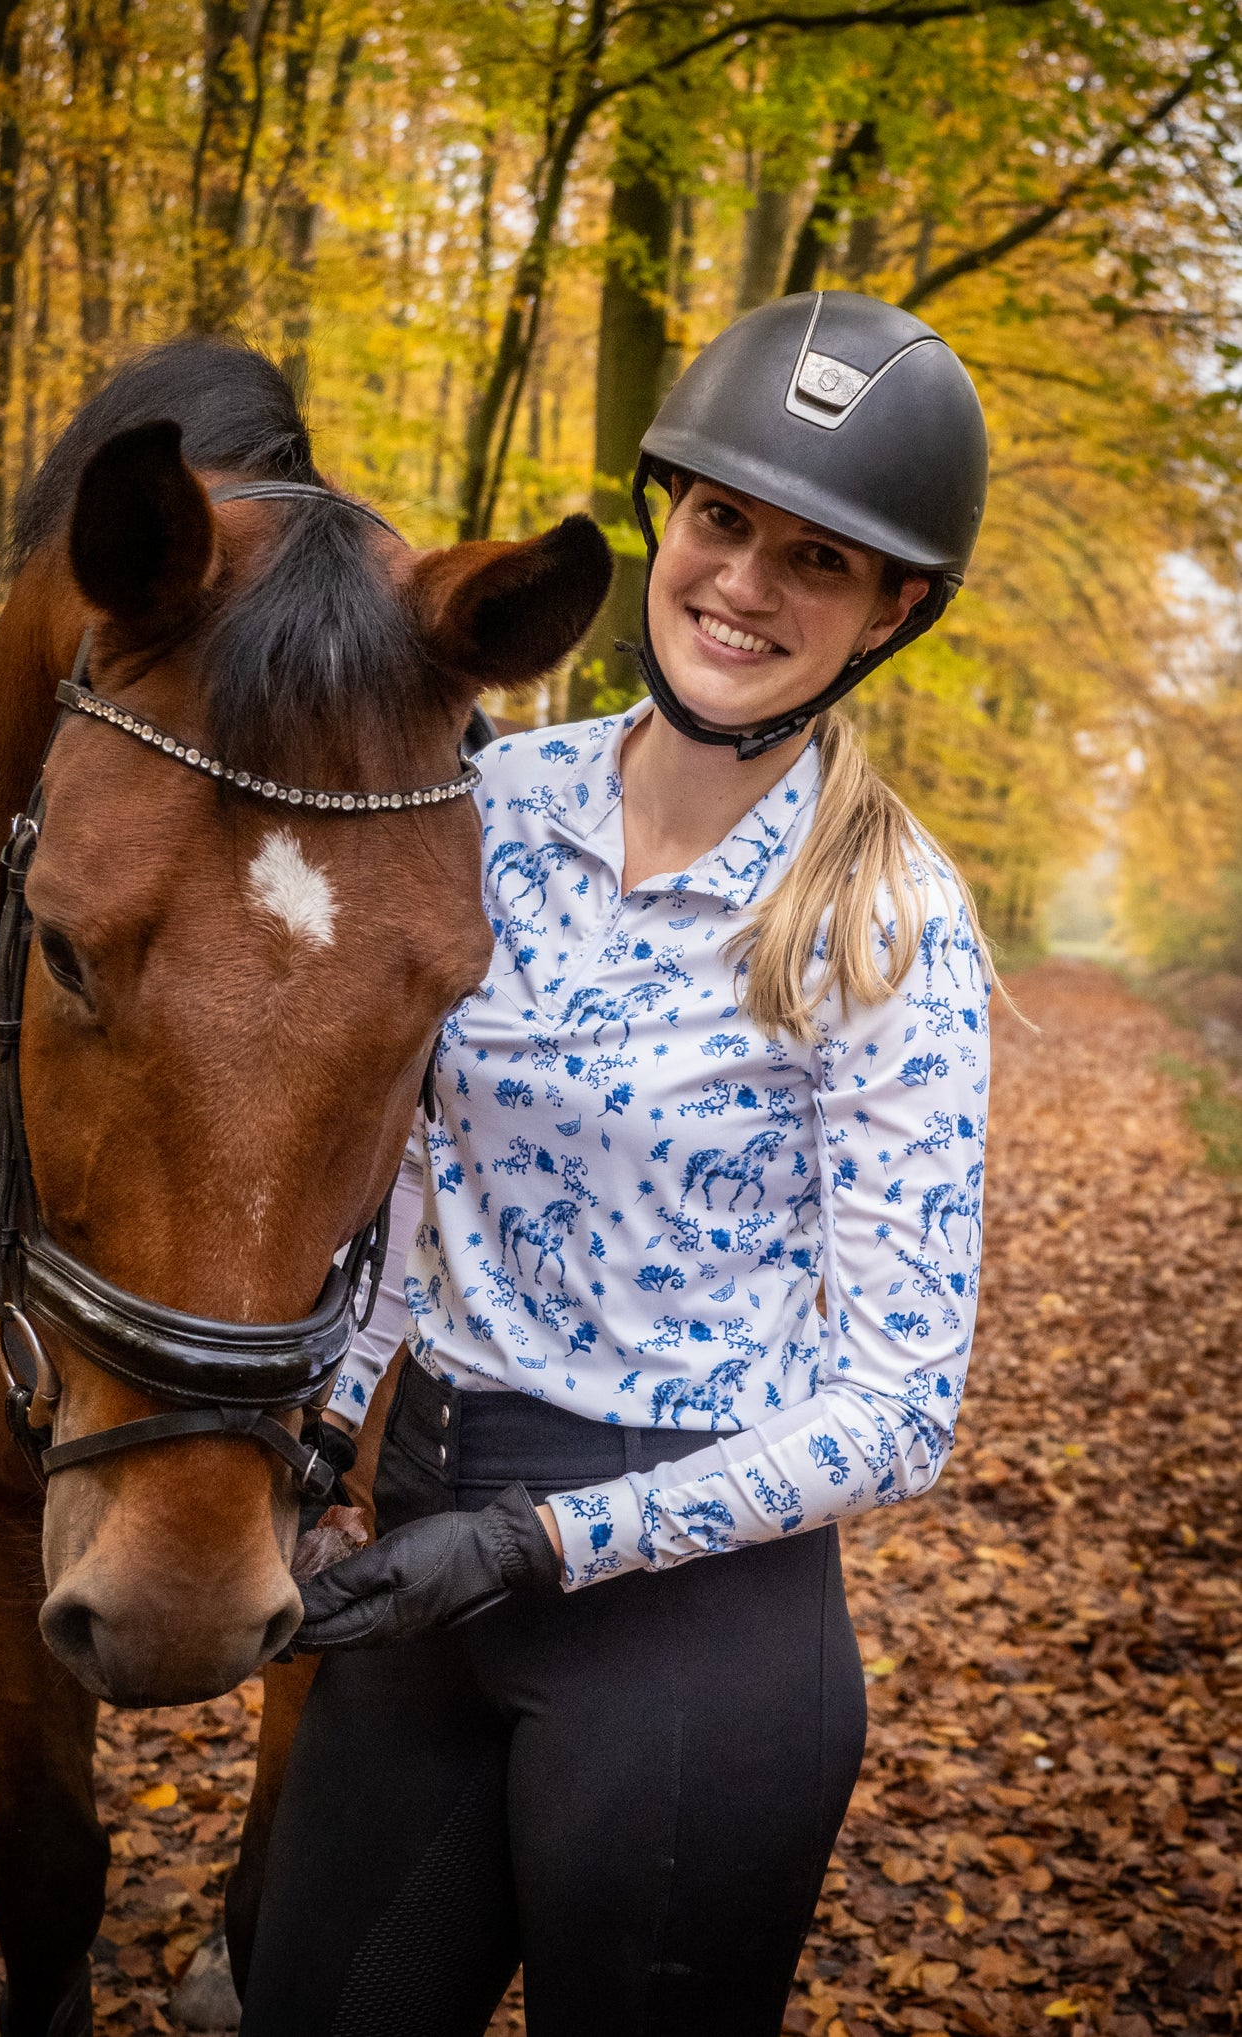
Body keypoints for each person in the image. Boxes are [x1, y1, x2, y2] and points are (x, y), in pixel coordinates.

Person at [238, 289, 993, 2036]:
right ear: (668, 516)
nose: (742, 581)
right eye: (724, 521)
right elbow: (419, 1168)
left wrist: (538, 1544)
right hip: (416, 1547)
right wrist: (322, 1417)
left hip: (691, 1634)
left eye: (818, 560)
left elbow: (899, 1404)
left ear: (894, 608)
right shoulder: (487, 808)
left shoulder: (889, 922)